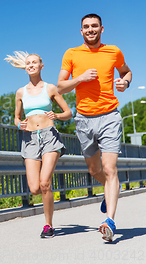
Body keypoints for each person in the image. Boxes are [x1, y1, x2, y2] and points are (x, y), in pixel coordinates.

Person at [57, 13, 132, 242]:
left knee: (110, 169)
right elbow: (60, 87)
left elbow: (126, 71)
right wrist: (79, 78)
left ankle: (109, 221)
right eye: (86, 27)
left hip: (110, 115)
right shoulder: (72, 54)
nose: (90, 29)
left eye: (94, 26)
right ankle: (110, 192)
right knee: (94, 170)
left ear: (102, 29)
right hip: (84, 119)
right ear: (81, 31)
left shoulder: (114, 51)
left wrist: (125, 82)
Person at [6, 51, 72, 238]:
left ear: (41, 66)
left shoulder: (50, 88)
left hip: (49, 135)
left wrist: (57, 115)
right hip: (30, 139)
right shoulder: (20, 92)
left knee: (44, 183)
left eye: (34, 62)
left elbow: (68, 112)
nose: (31, 65)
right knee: (34, 188)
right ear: (25, 67)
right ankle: (48, 206)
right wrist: (20, 125)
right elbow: (16, 118)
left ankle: (48, 225)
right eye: (28, 63)